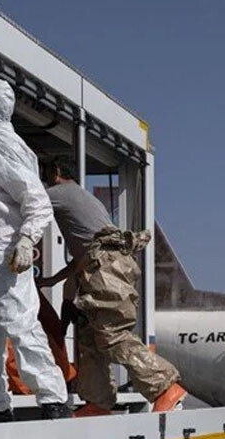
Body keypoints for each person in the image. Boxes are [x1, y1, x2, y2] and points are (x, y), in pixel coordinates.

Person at [0, 80, 69, 422]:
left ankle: (52, 399)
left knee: (20, 325)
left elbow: (37, 202)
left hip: (2, 250)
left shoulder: (4, 146)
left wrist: (26, 240)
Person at [37, 161, 185, 415]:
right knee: (91, 339)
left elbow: (28, 201)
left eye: (46, 176)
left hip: (105, 272)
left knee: (112, 334)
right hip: (100, 268)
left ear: (57, 172)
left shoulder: (59, 193)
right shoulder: (82, 198)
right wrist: (51, 281)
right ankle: (97, 402)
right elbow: (86, 254)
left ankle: (165, 387)